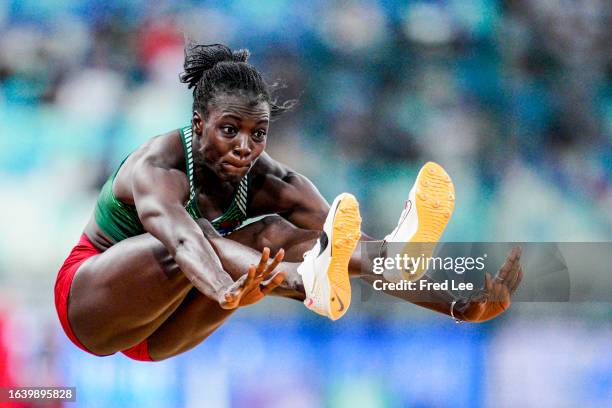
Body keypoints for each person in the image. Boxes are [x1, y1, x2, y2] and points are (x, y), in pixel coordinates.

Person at [54, 42, 523, 362]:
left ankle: (356, 263)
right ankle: (302, 280)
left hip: (165, 331)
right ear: (198, 123)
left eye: (258, 133)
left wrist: (458, 306)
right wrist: (224, 288)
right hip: (91, 307)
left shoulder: (273, 179)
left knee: (281, 236)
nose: (245, 146)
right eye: (229, 129)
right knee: (204, 235)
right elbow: (179, 239)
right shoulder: (158, 165)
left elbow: (347, 253)